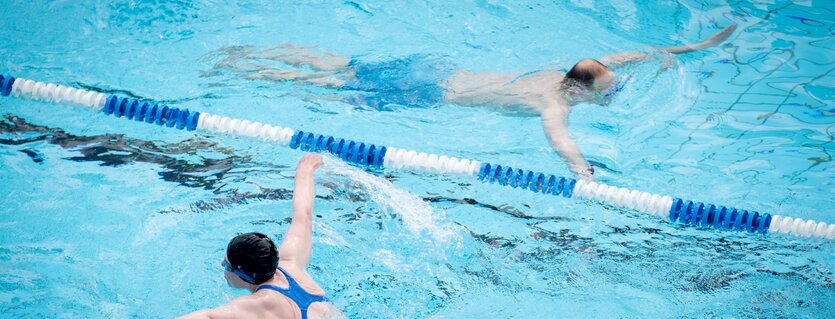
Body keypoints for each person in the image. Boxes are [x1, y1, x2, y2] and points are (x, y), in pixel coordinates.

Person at [119, 154, 622, 319]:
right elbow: (302, 217)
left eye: (226, 267)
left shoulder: (257, 304)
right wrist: (303, 172)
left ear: (241, 273)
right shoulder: (292, 264)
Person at [212, 24, 736, 180]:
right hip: (428, 92)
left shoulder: (570, 72)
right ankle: (264, 73)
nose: (617, 90)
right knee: (326, 88)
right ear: (581, 91)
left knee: (339, 64)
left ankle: (248, 54)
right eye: (611, 90)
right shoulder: (555, 105)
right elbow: (561, 143)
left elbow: (641, 53)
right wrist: (584, 174)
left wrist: (693, 49)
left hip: (438, 67)